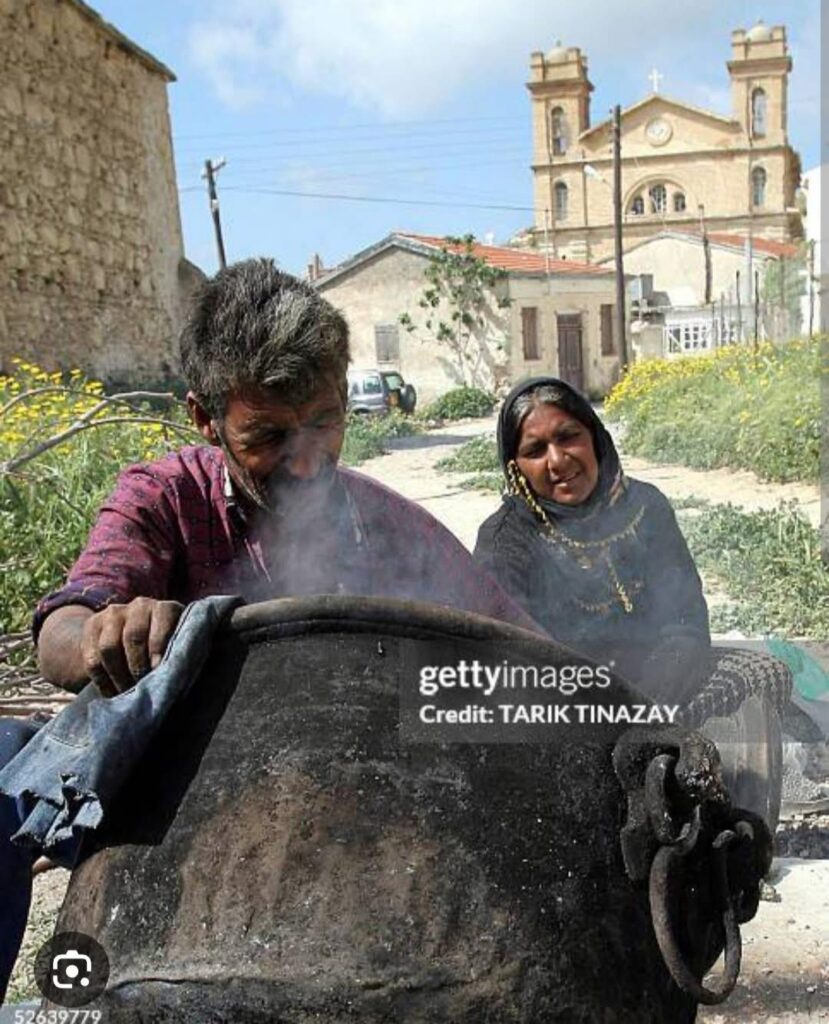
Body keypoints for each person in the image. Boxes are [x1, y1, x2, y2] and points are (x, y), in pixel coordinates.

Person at [0, 259, 540, 1002]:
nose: (308, 460)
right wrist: (105, 632)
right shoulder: (162, 499)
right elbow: (61, 631)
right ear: (204, 418)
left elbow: (518, 640)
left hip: (357, 790)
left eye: (325, 421)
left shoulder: (385, 521)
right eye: (269, 436)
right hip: (183, 792)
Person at [473, 376, 791, 717]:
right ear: (515, 467)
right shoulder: (505, 542)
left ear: (594, 437)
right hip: (567, 704)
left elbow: (686, 623)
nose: (557, 461)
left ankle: (661, 747)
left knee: (765, 674)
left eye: (568, 437)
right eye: (534, 451)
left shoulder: (644, 506)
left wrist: (652, 701)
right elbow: (508, 660)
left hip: (659, 686)